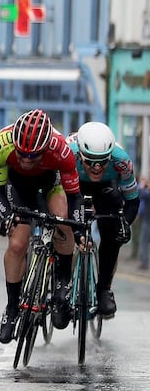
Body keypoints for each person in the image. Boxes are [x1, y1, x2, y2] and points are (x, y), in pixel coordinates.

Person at [0, 109, 81, 344]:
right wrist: (6, 216)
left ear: (46, 148)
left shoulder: (61, 151)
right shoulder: (1, 144)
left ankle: (62, 280)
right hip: (18, 188)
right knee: (18, 244)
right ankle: (11, 308)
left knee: (62, 219)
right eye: (22, 155)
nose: (27, 161)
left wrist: (77, 226)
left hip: (50, 184)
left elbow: (74, 196)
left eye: (34, 156)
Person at [67, 122, 139, 318]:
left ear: (110, 156)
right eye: (90, 161)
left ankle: (104, 289)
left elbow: (132, 202)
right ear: (80, 154)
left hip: (107, 187)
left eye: (102, 161)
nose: (97, 167)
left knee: (112, 231)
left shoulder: (121, 160)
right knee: (65, 225)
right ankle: (62, 284)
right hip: (75, 185)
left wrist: (124, 224)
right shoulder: (67, 154)